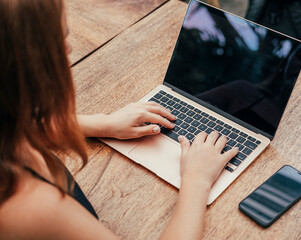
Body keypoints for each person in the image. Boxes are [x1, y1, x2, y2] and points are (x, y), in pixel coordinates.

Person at [0, 0, 239, 239]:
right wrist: (197, 182)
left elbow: (25, 125)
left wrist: (103, 123)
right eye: (59, 37)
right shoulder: (34, 206)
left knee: (241, 89)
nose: (69, 48)